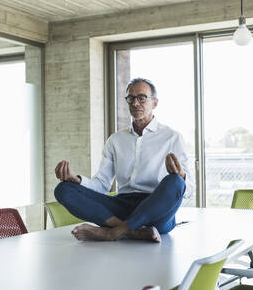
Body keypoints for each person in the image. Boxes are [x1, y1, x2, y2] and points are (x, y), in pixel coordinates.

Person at [54, 78, 193, 242]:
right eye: (131, 98)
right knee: (63, 189)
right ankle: (132, 231)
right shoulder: (115, 140)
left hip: (156, 211)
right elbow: (101, 185)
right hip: (121, 207)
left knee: (176, 182)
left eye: (142, 98)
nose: (135, 103)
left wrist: (181, 176)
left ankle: (112, 232)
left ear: (154, 103)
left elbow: (189, 190)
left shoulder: (172, 138)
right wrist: (76, 180)